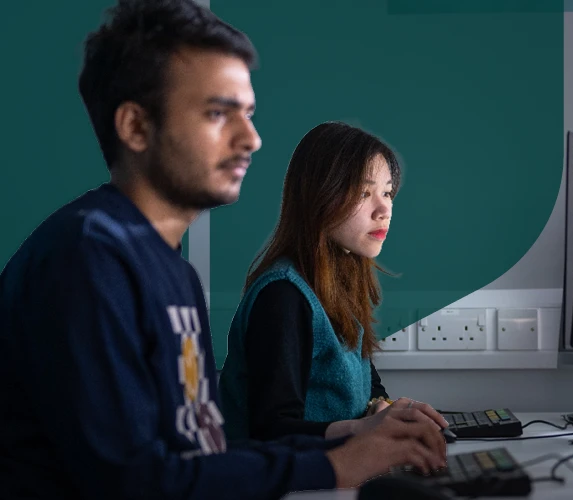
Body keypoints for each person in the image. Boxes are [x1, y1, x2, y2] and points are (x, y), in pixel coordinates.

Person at [0, 1, 447, 498]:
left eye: (249, 114)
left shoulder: (172, 272)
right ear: (135, 128)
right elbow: (133, 483)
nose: (251, 139)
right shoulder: (86, 262)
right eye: (218, 112)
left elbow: (206, 456)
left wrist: (353, 443)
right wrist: (337, 468)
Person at [218, 122, 424, 442]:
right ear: (320, 196)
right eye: (364, 192)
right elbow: (272, 430)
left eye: (386, 192)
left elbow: (366, 383)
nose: (384, 209)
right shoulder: (283, 295)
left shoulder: (341, 281)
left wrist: (382, 408)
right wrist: (362, 429)